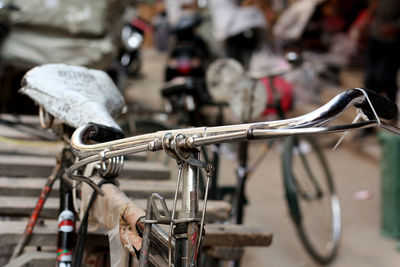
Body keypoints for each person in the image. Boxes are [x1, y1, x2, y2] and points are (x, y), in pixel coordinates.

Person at [365, 0, 400, 103]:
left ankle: (390, 108)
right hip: (376, 36)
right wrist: (367, 21)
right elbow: (373, 6)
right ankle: (369, 109)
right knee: (371, 77)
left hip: (394, 41)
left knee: (387, 78)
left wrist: (395, 27)